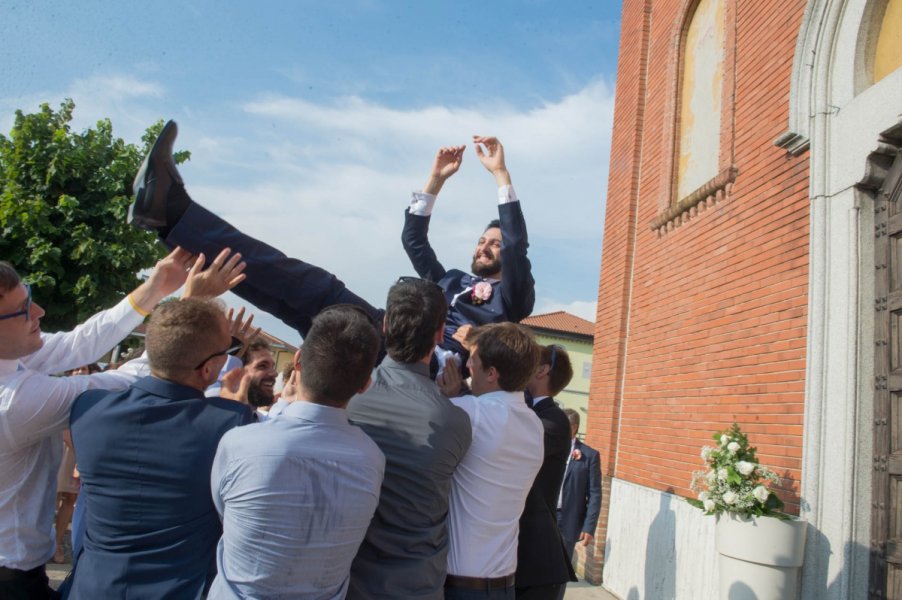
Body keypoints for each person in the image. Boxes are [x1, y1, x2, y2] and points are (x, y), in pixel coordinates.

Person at [128, 121, 535, 369]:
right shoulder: (448, 281)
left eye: (494, 245)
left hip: (414, 361)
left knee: (315, 287)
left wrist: (501, 175)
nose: (485, 247)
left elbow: (518, 248)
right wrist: (435, 180)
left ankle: (173, 212)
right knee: (284, 298)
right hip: (383, 335)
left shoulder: (512, 300)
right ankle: (168, 221)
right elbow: (413, 238)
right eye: (482, 240)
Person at [0, 248, 207, 600]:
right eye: (24, 310)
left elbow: (79, 342)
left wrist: (155, 287)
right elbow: (122, 383)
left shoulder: (12, 355)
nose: (39, 311)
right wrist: (185, 312)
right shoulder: (13, 402)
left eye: (30, 297)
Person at [66, 298, 255, 600]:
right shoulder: (231, 422)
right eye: (228, 351)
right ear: (208, 369)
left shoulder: (88, 409)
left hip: (92, 588)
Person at [208, 305, 385, 599]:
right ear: (366, 384)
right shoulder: (372, 459)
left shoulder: (240, 443)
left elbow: (224, 515)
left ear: (298, 360)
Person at [346, 278, 472, 599]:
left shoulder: (346, 398)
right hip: (417, 586)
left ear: (386, 324)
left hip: (351, 580)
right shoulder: (454, 420)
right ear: (441, 333)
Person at [444, 323, 544, 600]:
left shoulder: (470, 413)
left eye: (472, 360)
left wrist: (452, 398)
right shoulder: (535, 425)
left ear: (492, 373)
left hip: (460, 586)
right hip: (504, 584)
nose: (467, 368)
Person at [516, 345, 577, 599]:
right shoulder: (533, 412)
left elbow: (512, 446)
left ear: (542, 370)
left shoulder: (554, 419)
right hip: (524, 559)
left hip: (539, 563)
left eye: (530, 362)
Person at [557, 409, 602, 575]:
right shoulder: (547, 447)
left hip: (568, 519)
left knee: (561, 569)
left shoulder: (589, 456)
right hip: (545, 515)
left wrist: (589, 526)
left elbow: (595, 493)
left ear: (574, 428)